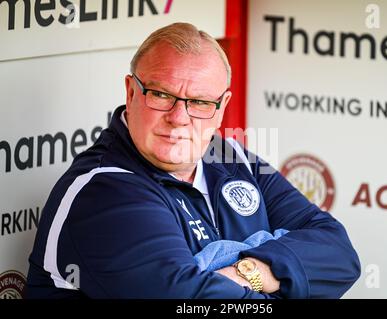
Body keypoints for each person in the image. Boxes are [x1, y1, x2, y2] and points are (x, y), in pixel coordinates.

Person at [26, 22, 360, 299]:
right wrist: (279, 265)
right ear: (130, 93)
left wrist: (246, 272)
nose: (179, 117)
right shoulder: (103, 190)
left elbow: (340, 254)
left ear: (221, 108)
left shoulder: (236, 159)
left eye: (199, 102)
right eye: (161, 94)